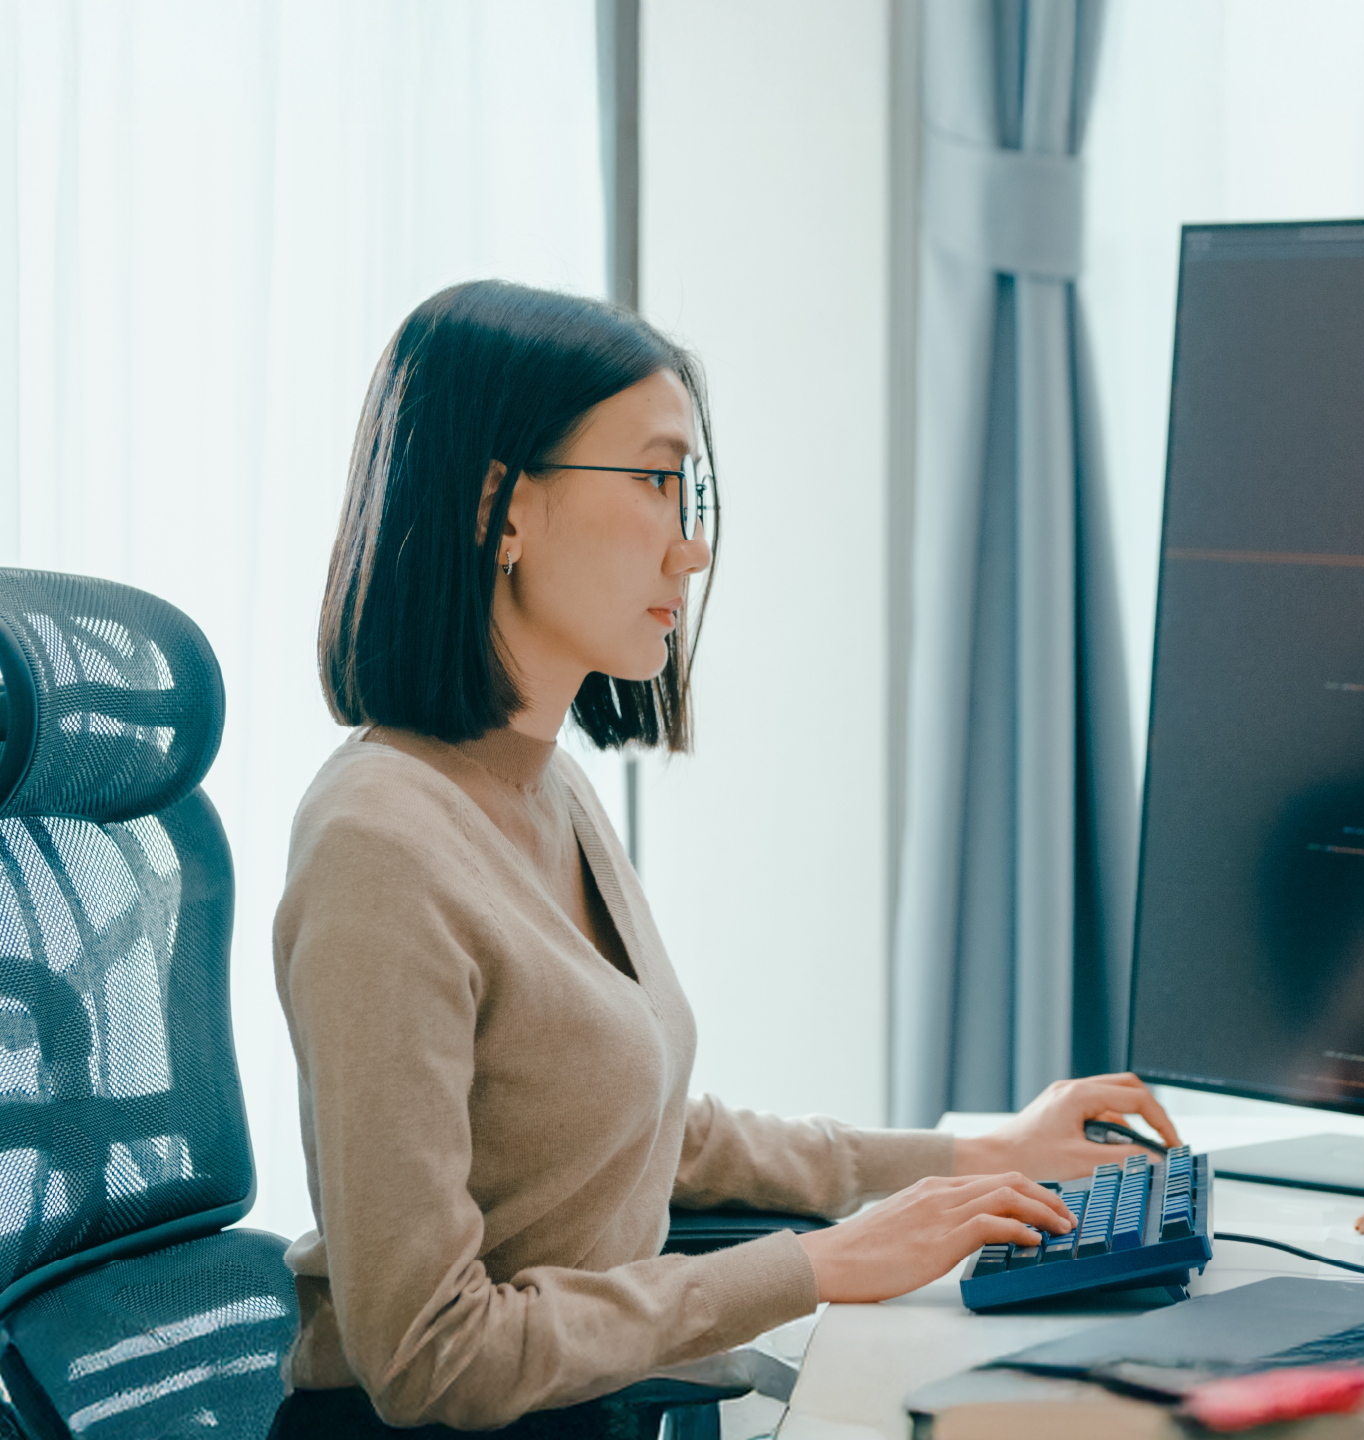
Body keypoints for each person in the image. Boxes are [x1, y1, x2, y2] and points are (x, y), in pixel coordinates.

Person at [269, 279, 1175, 1436]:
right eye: (653, 482)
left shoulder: (546, 789)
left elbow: (646, 1129)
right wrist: (813, 1270)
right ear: (503, 507)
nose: (690, 547)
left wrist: (963, 1156)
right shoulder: (378, 848)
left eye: (686, 491)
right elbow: (430, 1354)